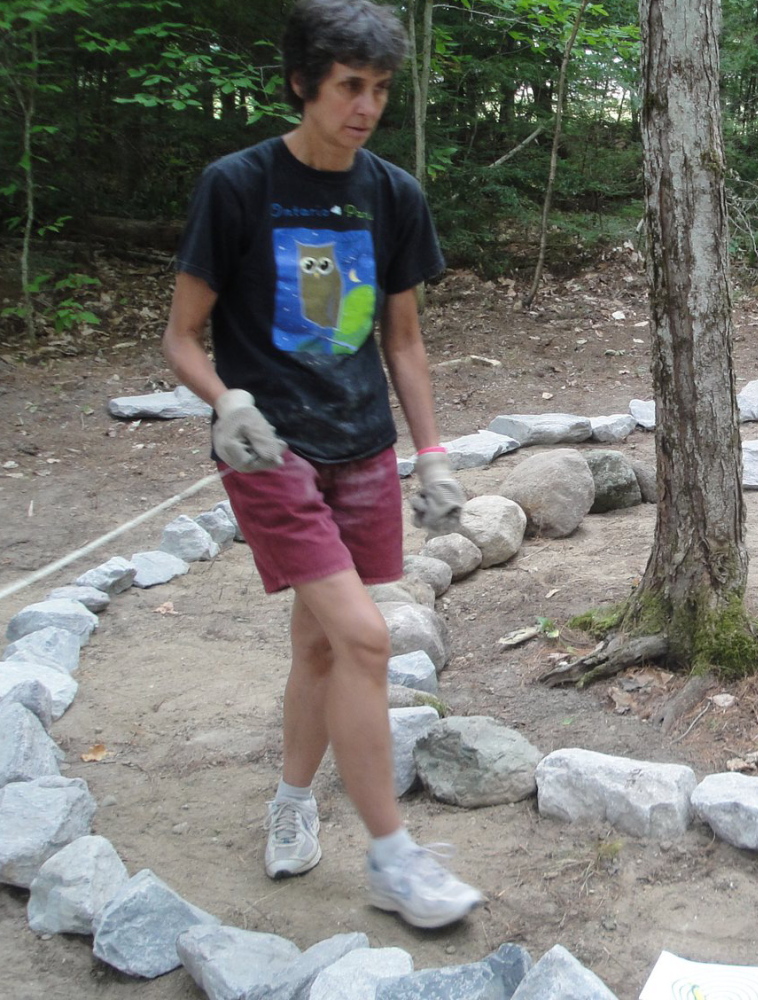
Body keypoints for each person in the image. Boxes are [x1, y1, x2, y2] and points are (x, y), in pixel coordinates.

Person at [161, 0, 484, 930]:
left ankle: (292, 801)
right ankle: (393, 859)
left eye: (379, 88)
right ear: (304, 83)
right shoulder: (237, 185)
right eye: (349, 86)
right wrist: (227, 402)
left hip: (362, 446)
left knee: (320, 644)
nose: (366, 106)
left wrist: (431, 454)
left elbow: (404, 343)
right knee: (369, 639)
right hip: (270, 451)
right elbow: (181, 338)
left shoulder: (393, 194)